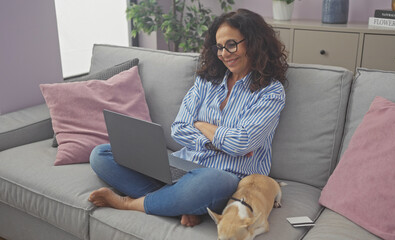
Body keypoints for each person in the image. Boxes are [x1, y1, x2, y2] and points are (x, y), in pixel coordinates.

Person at [88, 8, 288, 227]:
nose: (224, 54)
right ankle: (182, 204)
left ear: (253, 42)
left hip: (228, 177)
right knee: (101, 154)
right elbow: (179, 128)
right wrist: (217, 142)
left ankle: (129, 204)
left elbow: (242, 142)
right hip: (183, 165)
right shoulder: (207, 81)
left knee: (210, 182)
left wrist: (200, 124)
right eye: (219, 47)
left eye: (231, 44)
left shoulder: (271, 92)